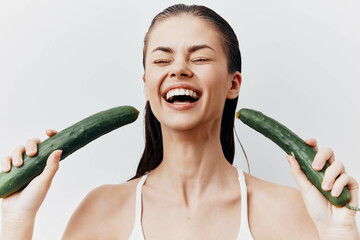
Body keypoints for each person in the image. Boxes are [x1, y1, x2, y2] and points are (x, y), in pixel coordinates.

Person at [1, 4, 359, 240]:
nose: (179, 69)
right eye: (161, 60)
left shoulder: (288, 210)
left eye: (200, 57)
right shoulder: (102, 210)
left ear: (233, 83)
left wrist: (340, 232)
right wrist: (14, 223)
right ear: (146, 85)